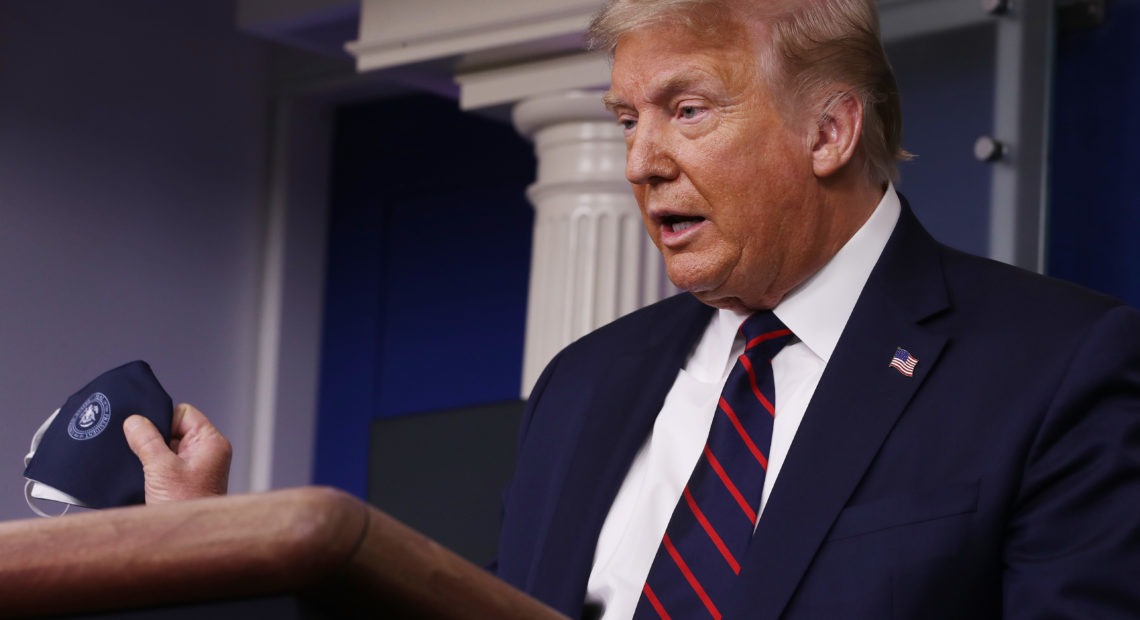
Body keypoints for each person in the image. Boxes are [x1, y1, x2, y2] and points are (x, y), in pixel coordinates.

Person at [127, 0, 1140, 618]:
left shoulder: (1056, 364)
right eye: (626, 118)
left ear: (829, 131)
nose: (640, 161)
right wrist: (218, 548)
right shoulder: (587, 381)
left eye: (688, 110)